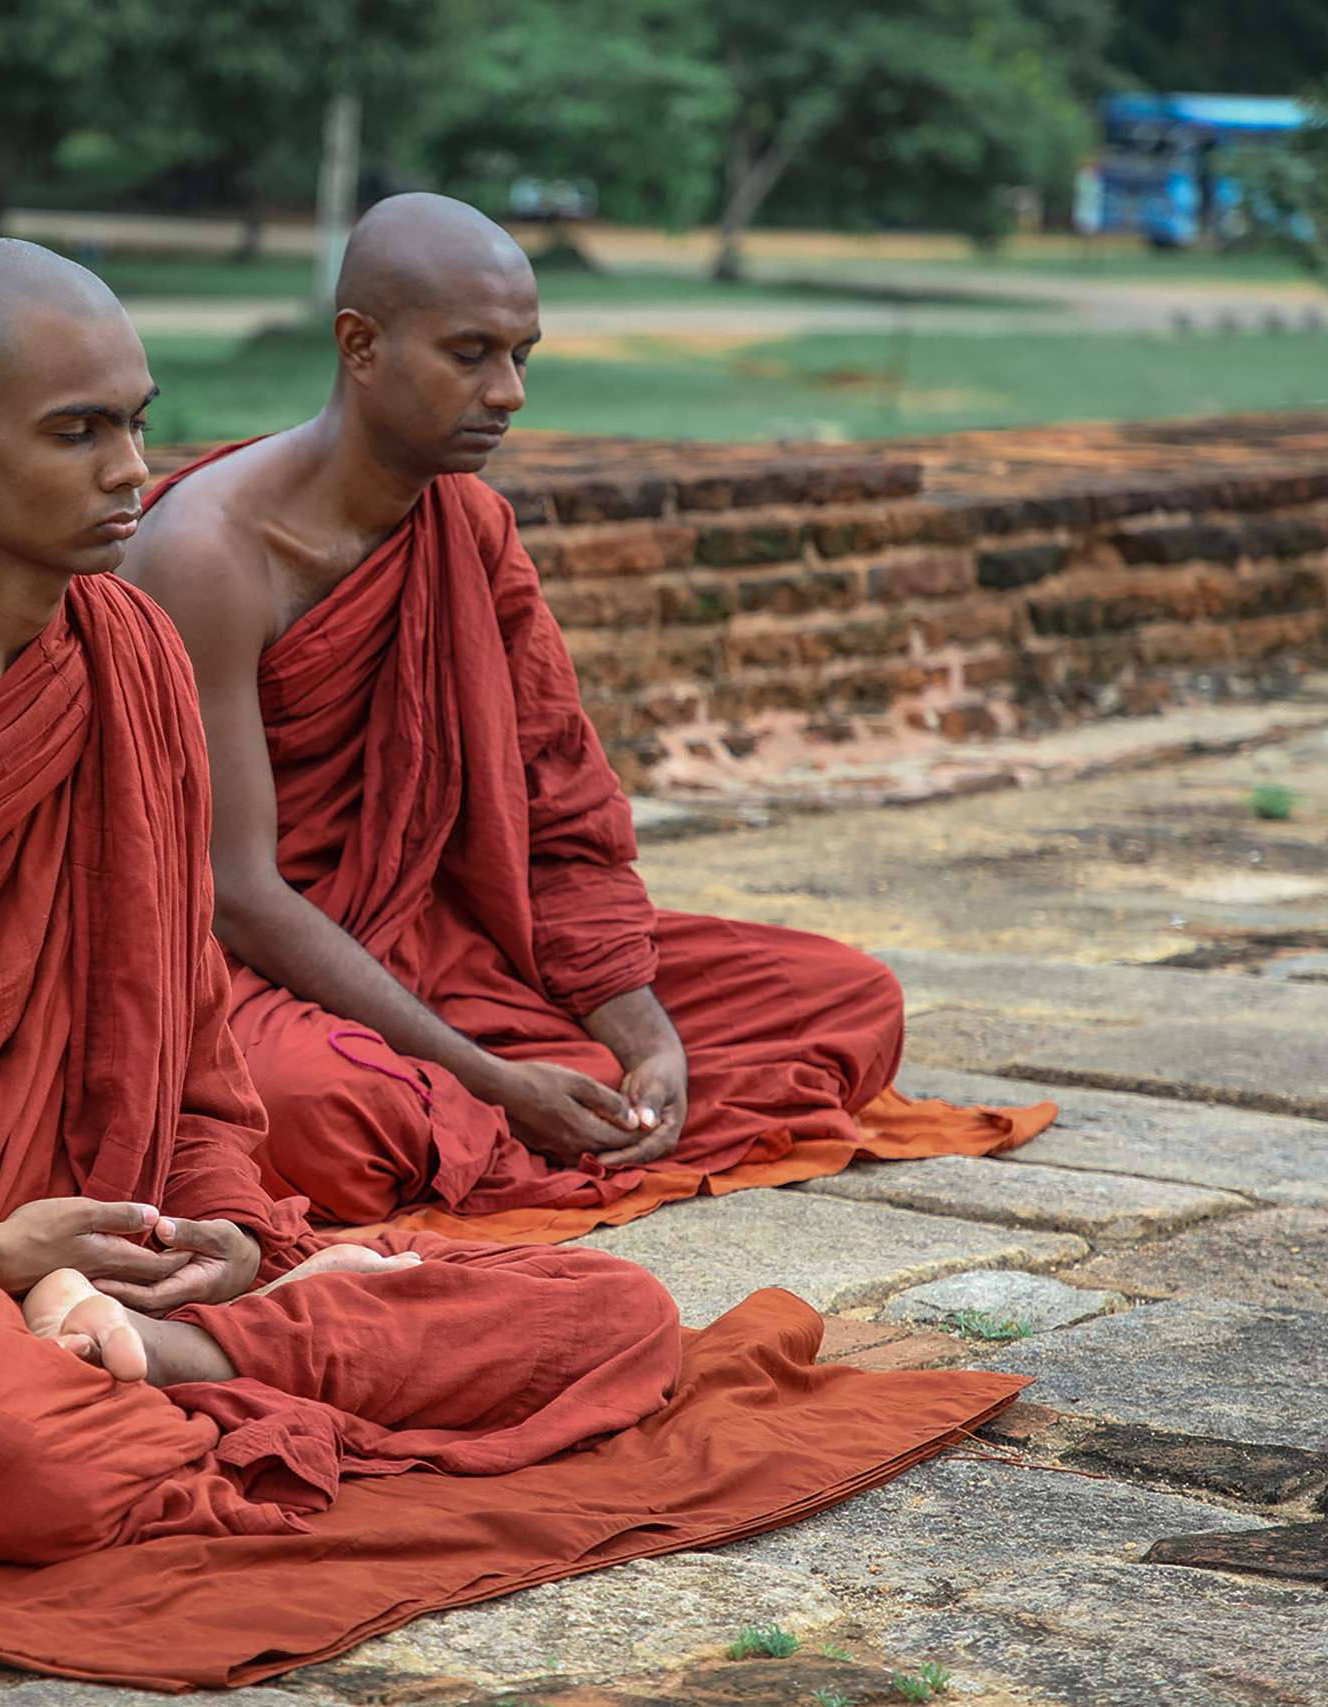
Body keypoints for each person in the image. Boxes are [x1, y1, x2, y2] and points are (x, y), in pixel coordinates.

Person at [0, 237, 686, 1567]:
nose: (130, 472)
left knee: (613, 1312)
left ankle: (158, 1350)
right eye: (77, 431)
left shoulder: (131, 647)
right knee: (22, 1464)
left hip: (119, 1231)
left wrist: (223, 1224)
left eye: (138, 424)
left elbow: (187, 1026)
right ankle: (132, 1357)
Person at [123, 194, 1041, 1235]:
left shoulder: (467, 523)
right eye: (471, 354)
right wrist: (489, 1073)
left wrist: (645, 1033)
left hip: (451, 936)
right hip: (254, 967)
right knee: (325, 1118)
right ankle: (500, 1103)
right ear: (360, 345)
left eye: (523, 356)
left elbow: (559, 807)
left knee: (846, 998)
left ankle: (540, 1099)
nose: (508, 393)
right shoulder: (211, 554)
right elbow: (230, 891)